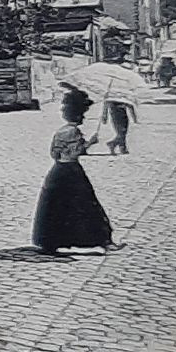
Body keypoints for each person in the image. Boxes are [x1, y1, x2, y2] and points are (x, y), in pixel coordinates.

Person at [33, 87, 124, 256]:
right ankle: (105, 241)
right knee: (88, 206)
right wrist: (90, 143)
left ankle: (51, 242)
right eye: (83, 114)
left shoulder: (60, 131)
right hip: (72, 171)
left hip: (57, 171)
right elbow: (76, 152)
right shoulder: (73, 132)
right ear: (78, 115)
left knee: (57, 206)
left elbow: (54, 153)